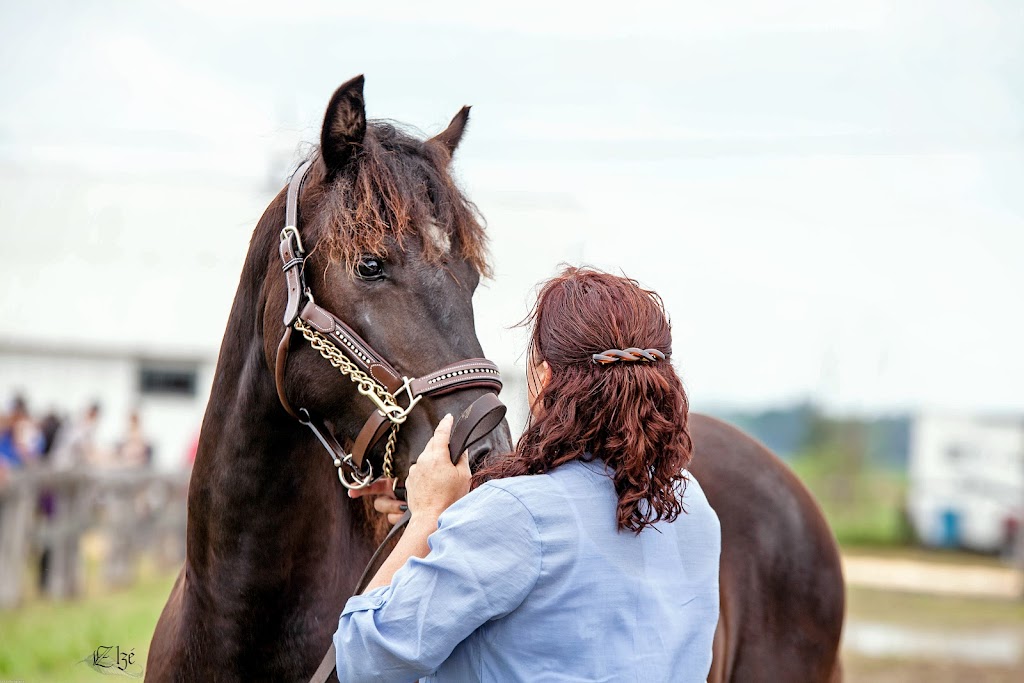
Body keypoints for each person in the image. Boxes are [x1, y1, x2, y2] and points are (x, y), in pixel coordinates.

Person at [334, 267, 722, 682]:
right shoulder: (691, 505)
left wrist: (428, 517)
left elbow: (365, 661)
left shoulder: (515, 514)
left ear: (544, 378)